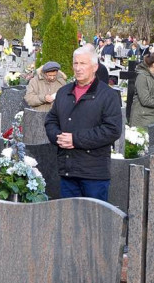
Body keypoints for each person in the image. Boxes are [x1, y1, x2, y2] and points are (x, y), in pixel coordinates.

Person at [45, 45, 123, 201]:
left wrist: (75, 139)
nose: (78, 68)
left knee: (94, 222)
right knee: (69, 221)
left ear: (95, 67)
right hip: (68, 170)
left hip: (94, 173)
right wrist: (58, 136)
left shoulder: (108, 95)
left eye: (83, 64)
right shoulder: (64, 92)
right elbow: (51, 120)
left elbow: (112, 130)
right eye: (76, 63)